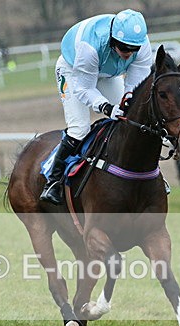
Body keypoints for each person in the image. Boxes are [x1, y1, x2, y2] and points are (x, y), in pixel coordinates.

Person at [40, 9, 153, 205]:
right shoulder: (90, 47)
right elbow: (84, 89)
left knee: (129, 120)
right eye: (124, 48)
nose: (128, 55)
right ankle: (53, 181)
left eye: (133, 50)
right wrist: (106, 108)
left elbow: (134, 87)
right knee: (79, 128)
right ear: (112, 40)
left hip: (107, 73)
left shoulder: (141, 46)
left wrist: (126, 105)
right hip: (74, 69)